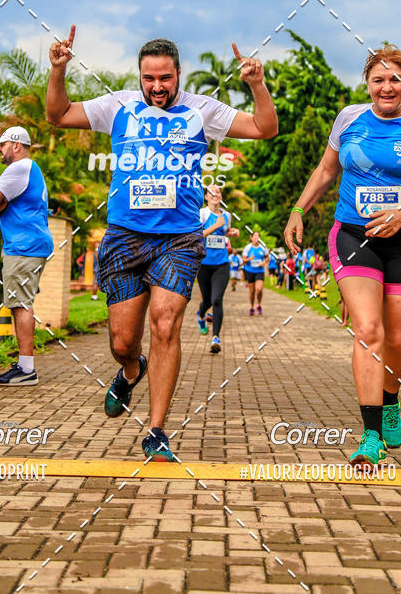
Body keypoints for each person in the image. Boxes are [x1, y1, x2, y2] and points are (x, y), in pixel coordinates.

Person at [45, 26, 277, 461]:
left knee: (165, 326)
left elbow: (265, 127)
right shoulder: (117, 106)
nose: (156, 87)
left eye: (165, 78)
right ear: (139, 75)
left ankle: (156, 431)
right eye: (149, 78)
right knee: (122, 342)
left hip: (179, 239)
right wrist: (58, 70)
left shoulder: (202, 110)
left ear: (178, 74)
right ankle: (131, 371)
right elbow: (58, 114)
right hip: (124, 237)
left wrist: (257, 85)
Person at [284, 45, 401, 467]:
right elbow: (326, 170)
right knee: (367, 330)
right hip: (353, 238)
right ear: (367, 83)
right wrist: (298, 210)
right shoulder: (349, 118)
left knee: (397, 338)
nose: (386, 87)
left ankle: (391, 398)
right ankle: (371, 435)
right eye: (378, 80)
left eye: (395, 79)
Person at [0, 126, 54, 386]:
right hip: (30, 245)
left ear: (16, 145)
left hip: (24, 247)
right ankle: (24, 366)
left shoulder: (19, 167)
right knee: (19, 303)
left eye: (2, 145)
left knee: (20, 304)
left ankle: (26, 370)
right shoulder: (31, 169)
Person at [196, 185, 239, 353]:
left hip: (222, 263)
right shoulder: (202, 213)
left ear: (221, 196)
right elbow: (197, 235)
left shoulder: (226, 215)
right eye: (212, 193)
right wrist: (216, 226)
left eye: (218, 192)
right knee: (206, 301)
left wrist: (232, 232)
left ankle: (216, 338)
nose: (216, 195)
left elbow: (224, 232)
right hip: (204, 264)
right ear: (206, 197)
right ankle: (201, 315)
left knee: (216, 299)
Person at [242, 231, 269, 315]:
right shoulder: (248, 247)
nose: (257, 238)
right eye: (255, 236)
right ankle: (252, 307)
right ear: (251, 238)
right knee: (252, 291)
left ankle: (259, 305)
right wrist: (249, 259)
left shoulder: (263, 247)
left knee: (259, 289)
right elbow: (243, 260)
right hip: (250, 271)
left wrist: (263, 263)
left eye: (258, 236)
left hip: (260, 271)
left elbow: (267, 258)